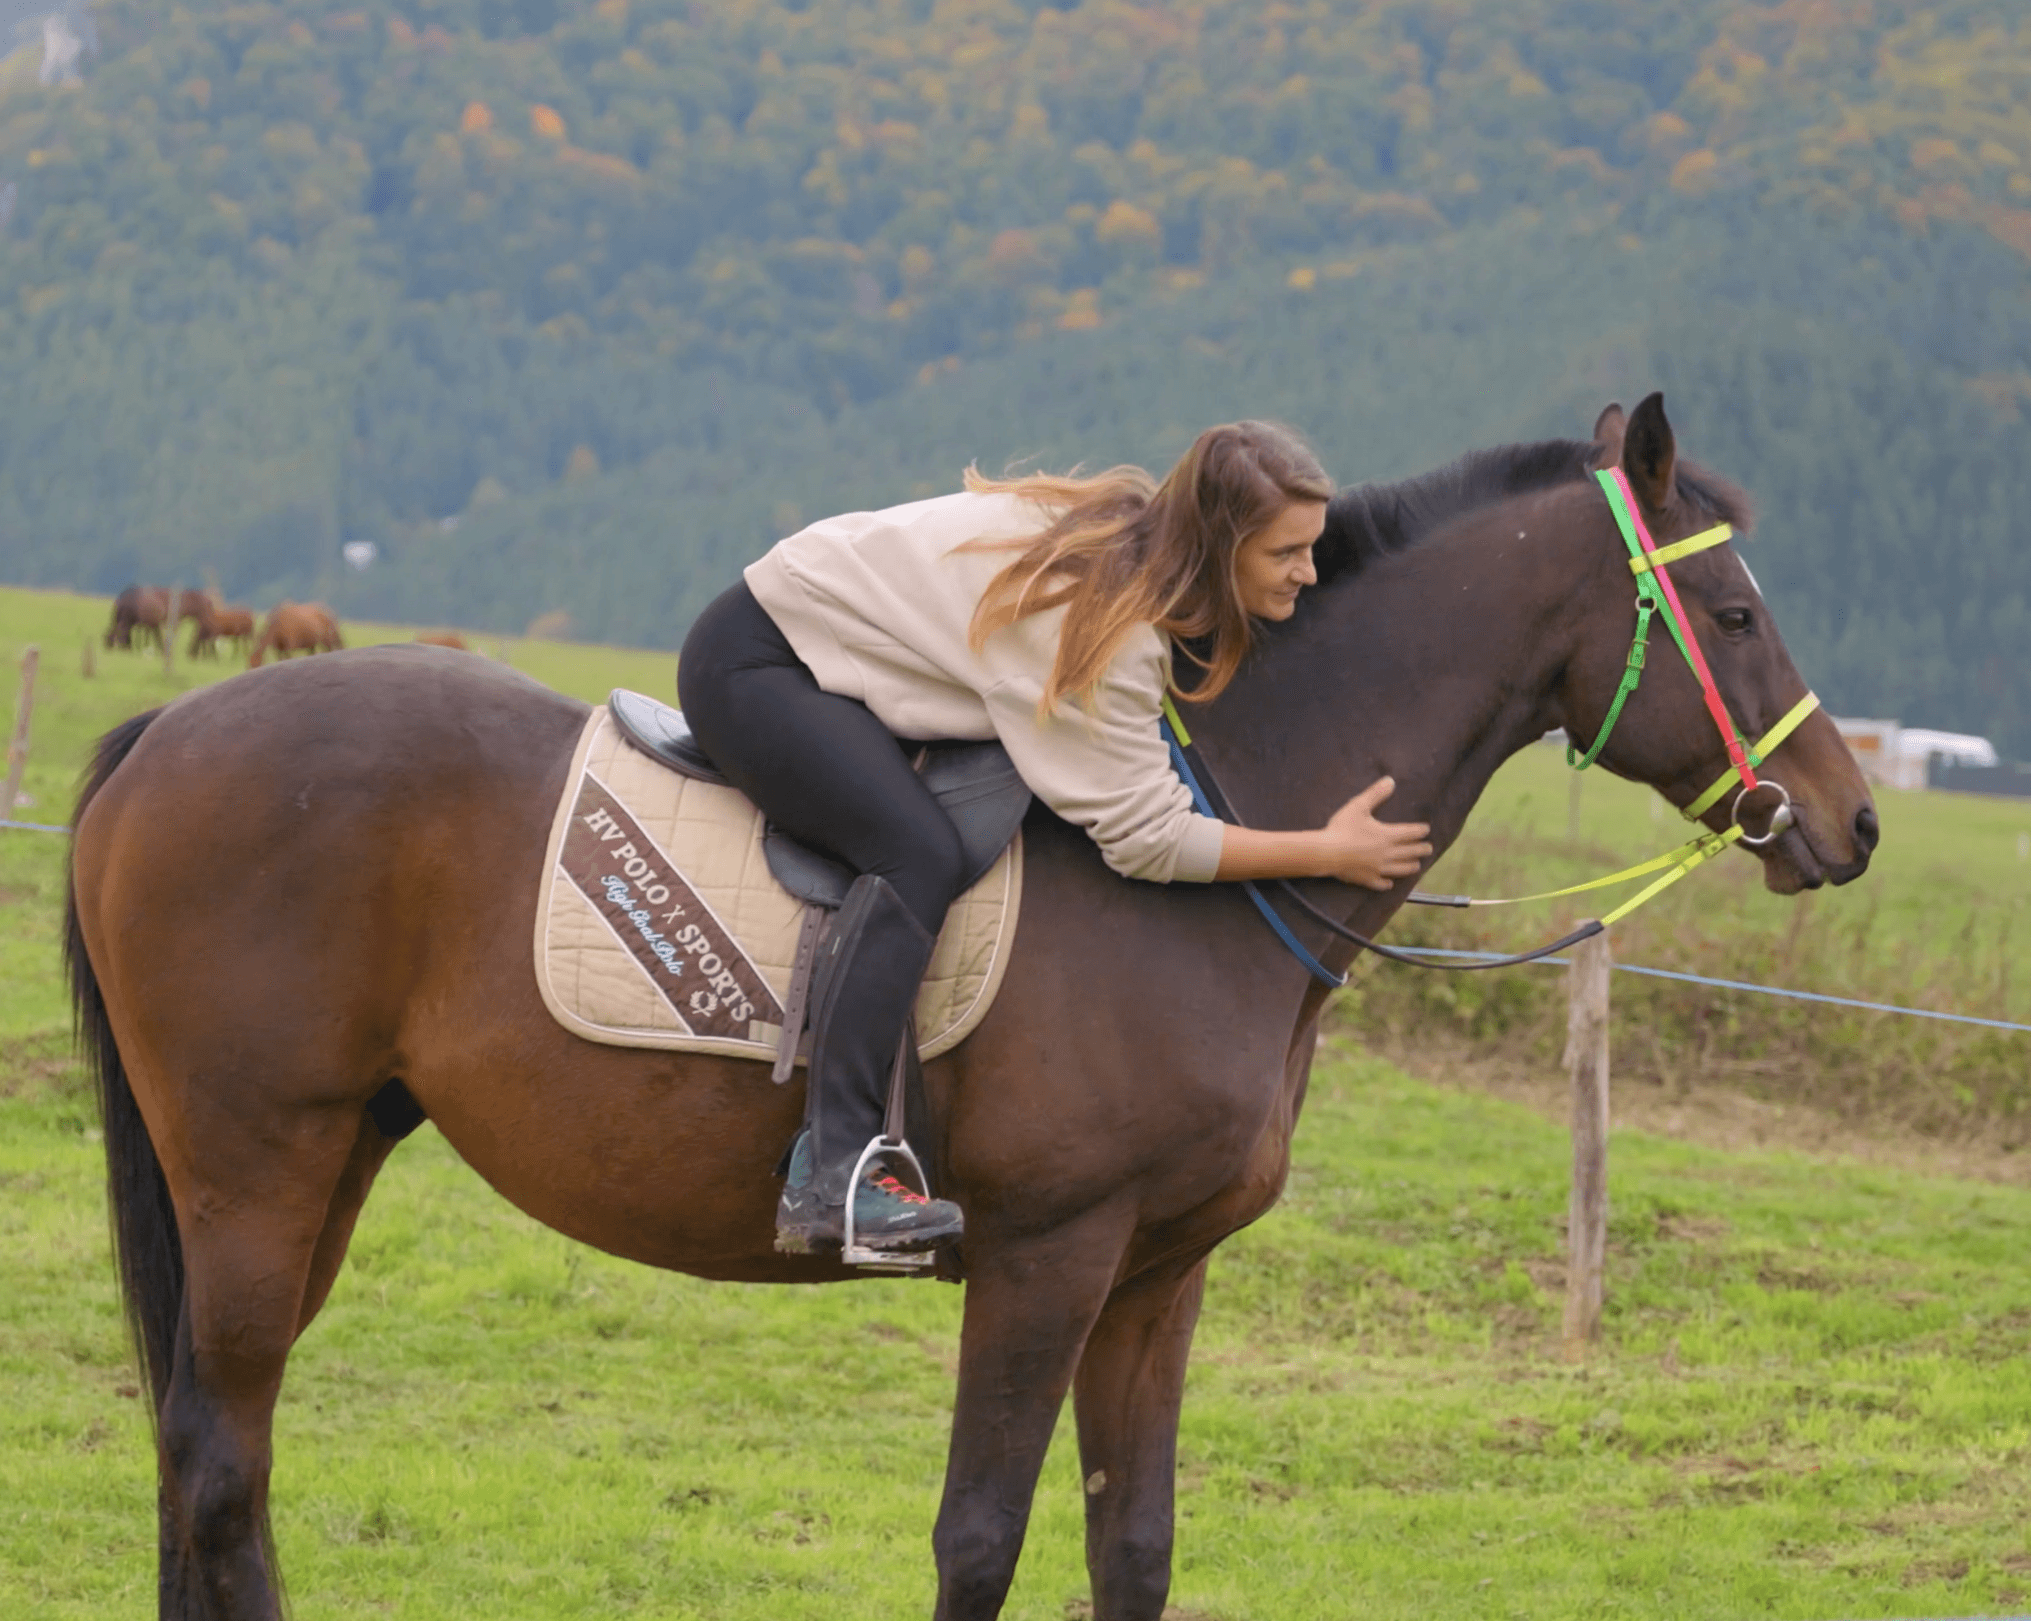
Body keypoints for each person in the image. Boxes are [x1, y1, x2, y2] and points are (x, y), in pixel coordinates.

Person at [678, 421, 1434, 1259]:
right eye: (1286, 553)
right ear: (1220, 549)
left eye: (1312, 548)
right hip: (763, 666)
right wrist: (1324, 852)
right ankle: (833, 1174)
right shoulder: (1103, 627)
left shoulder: (1141, 540)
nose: (1308, 571)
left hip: (827, 638)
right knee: (914, 853)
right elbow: (1146, 840)